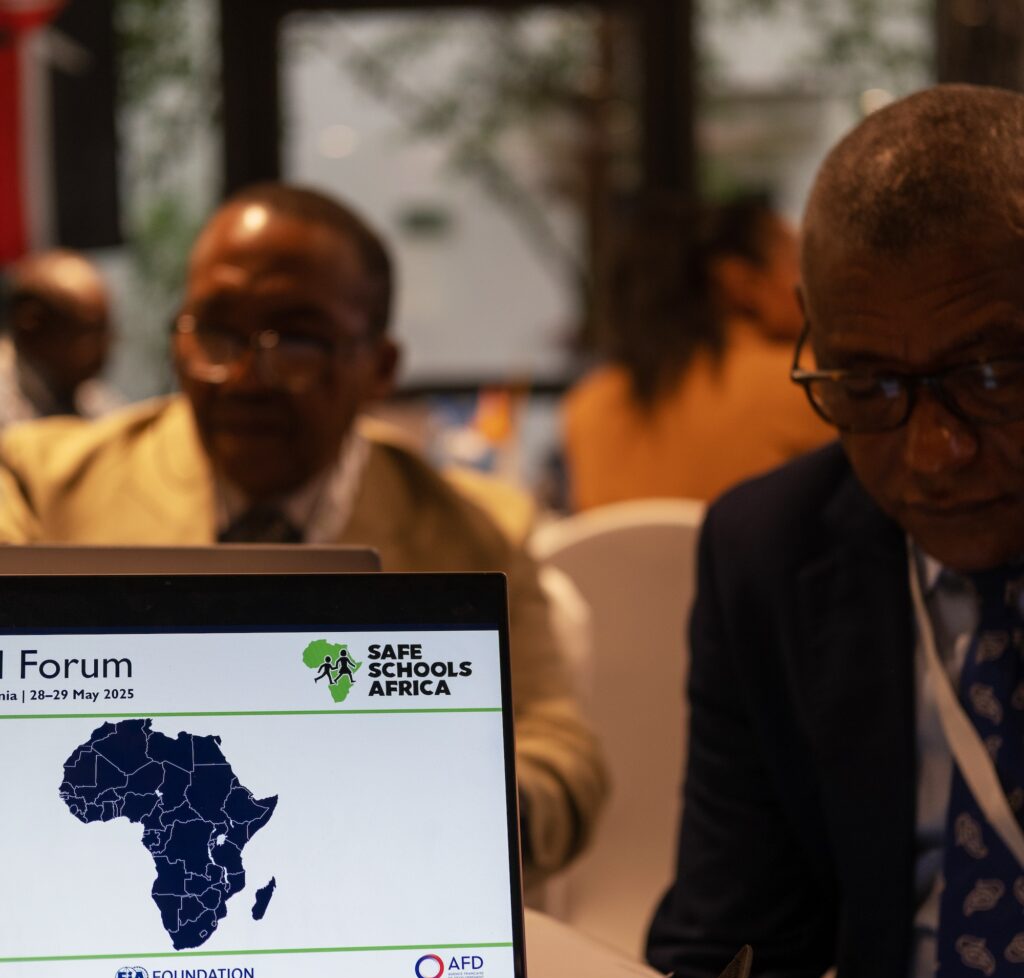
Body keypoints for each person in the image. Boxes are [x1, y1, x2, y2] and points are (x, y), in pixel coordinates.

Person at [0, 183, 607, 886]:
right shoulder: (43, 486)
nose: (245, 378)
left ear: (380, 367)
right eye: (215, 332)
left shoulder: (472, 534)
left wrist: (456, 810)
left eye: (296, 341)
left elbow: (560, 751)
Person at [647, 84, 1024, 978]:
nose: (935, 451)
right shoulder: (770, 553)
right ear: (810, 325)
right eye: (870, 386)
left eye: (992, 375)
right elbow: (732, 951)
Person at [561, 195, 832, 508]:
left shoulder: (587, 406)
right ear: (740, 281)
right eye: (798, 264)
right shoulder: (805, 385)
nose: (814, 283)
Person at [0, 249, 119, 425]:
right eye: (88, 332)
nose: (105, 345)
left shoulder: (82, 392)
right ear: (31, 326)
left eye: (105, 332)